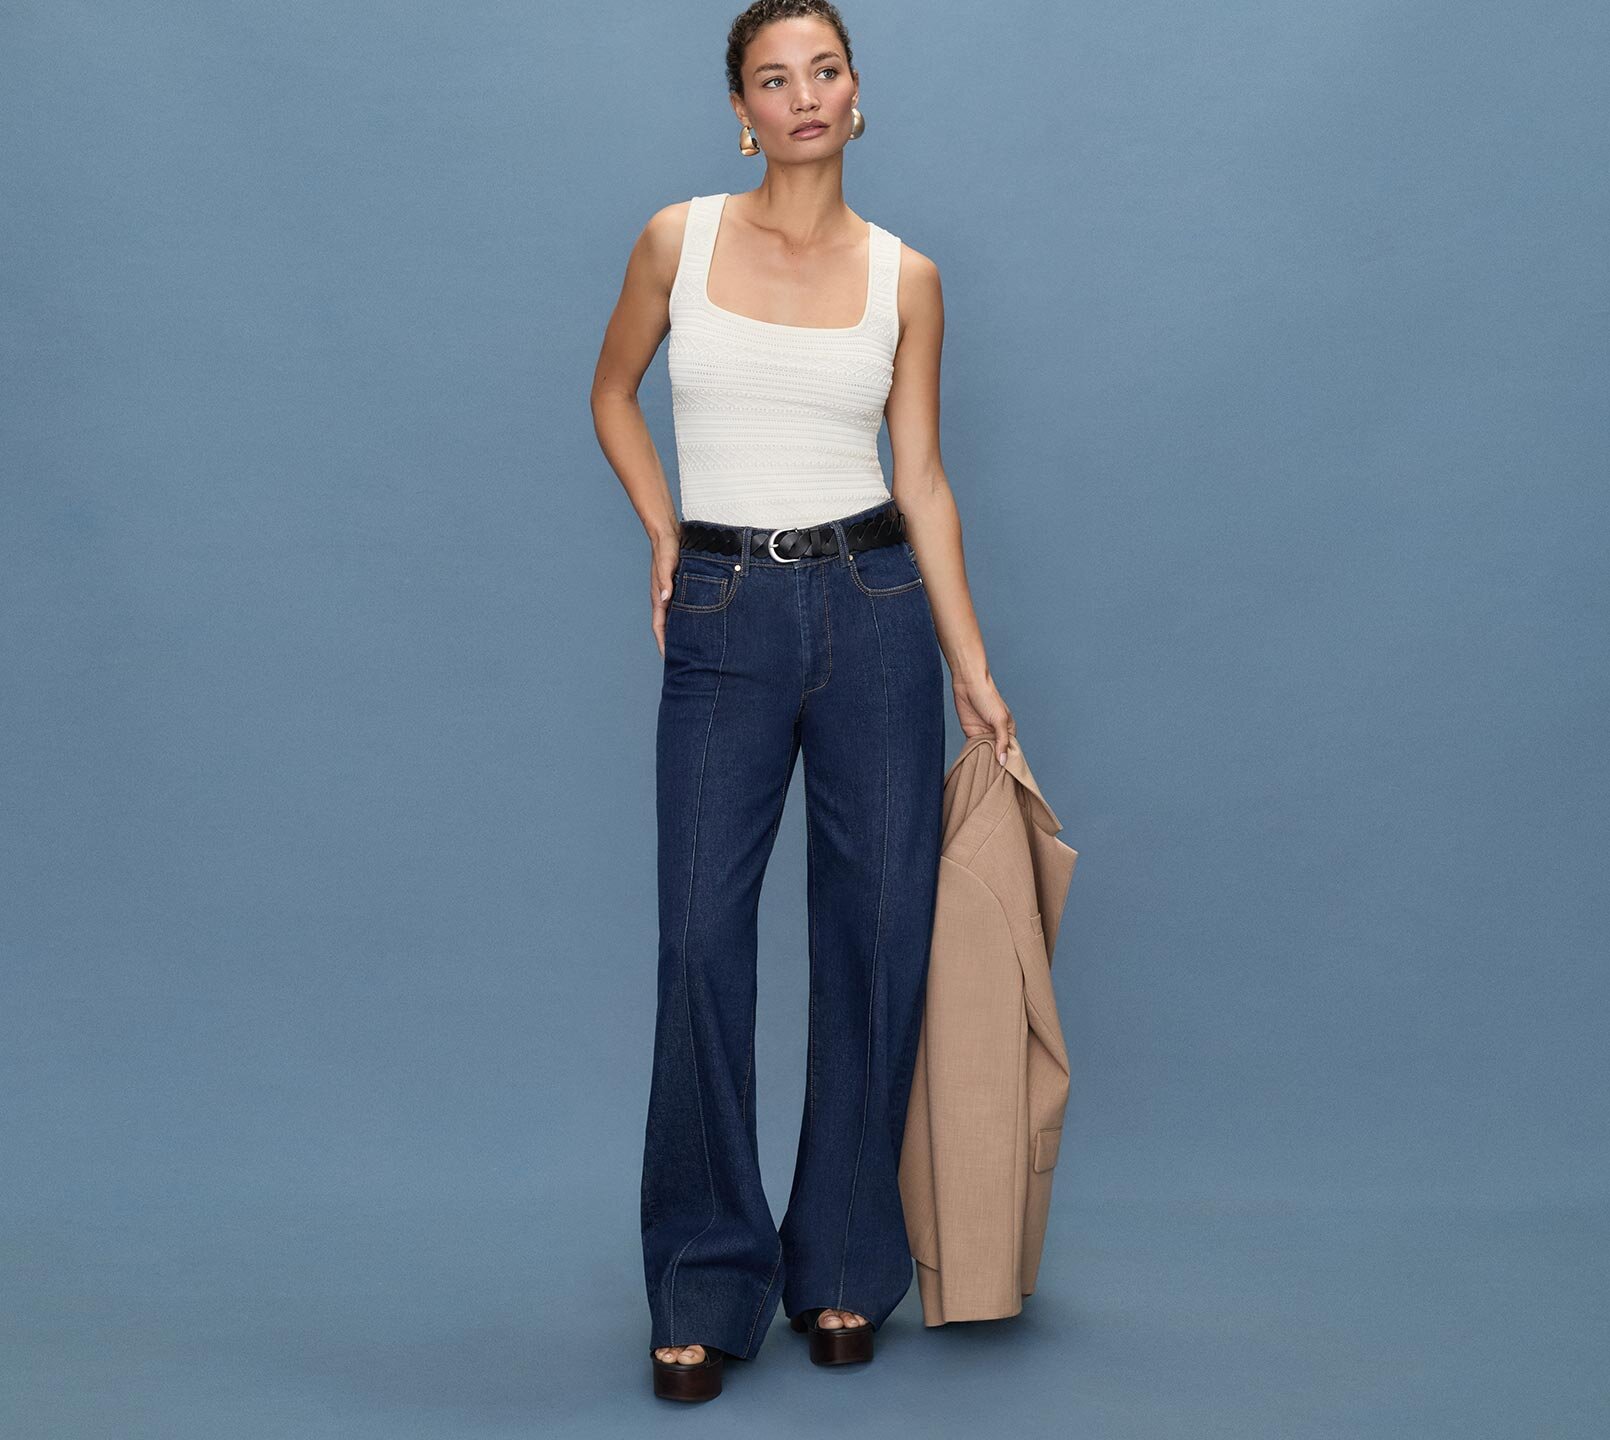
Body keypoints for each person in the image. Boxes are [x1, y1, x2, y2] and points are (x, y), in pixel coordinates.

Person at [589, 0, 1014, 1402]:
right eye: (773, 78)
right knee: (701, 943)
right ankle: (706, 1283)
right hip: (721, 610)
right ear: (741, 112)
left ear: (854, 92)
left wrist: (972, 666)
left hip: (876, 610)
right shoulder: (679, 239)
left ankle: (842, 1269)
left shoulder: (908, 276)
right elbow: (609, 393)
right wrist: (662, 531)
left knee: (878, 935)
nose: (803, 94)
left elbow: (927, 479)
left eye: (823, 67)